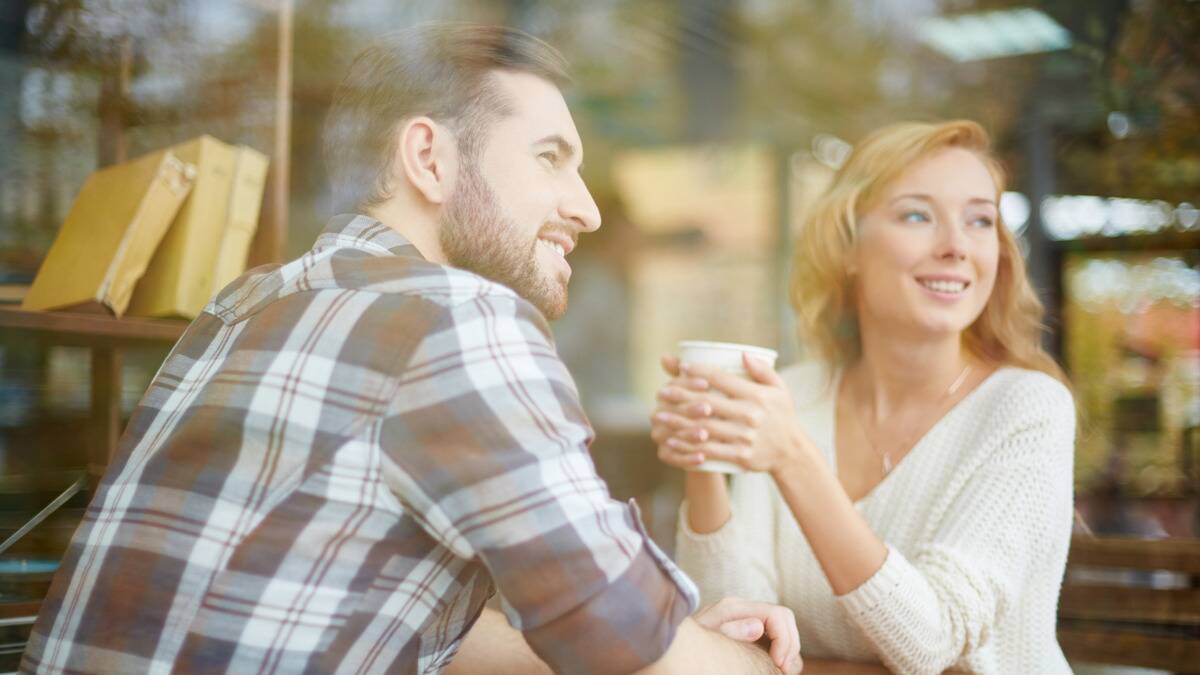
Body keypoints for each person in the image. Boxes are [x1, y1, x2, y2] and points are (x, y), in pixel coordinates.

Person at [22, 23, 802, 675]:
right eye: (549, 158)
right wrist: (747, 662)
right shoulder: (465, 315)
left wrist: (688, 636)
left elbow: (381, 612)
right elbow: (625, 636)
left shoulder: (247, 299)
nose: (588, 209)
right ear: (430, 158)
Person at [651, 120, 1076, 674]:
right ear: (847, 246)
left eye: (980, 220)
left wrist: (790, 457)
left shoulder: (1027, 408)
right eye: (918, 215)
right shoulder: (796, 396)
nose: (955, 247)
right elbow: (734, 626)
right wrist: (704, 457)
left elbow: (932, 640)